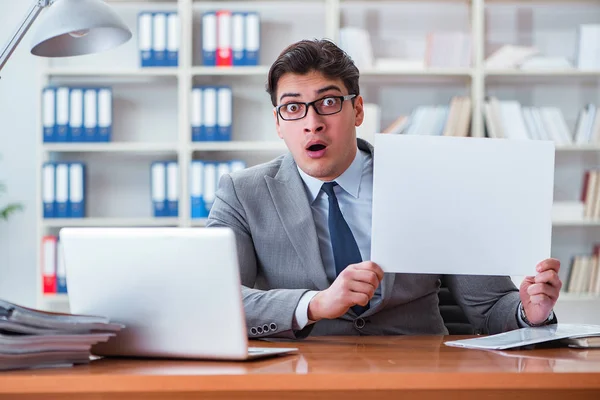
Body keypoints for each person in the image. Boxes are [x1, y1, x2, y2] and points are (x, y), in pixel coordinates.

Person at [206, 39, 562, 339]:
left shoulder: (431, 181)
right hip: (304, 377)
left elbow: (488, 306)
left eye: (328, 103)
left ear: (358, 109)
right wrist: (314, 304)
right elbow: (214, 300)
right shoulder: (242, 193)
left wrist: (529, 313)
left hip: (418, 375)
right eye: (293, 108)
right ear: (279, 123)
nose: (312, 123)